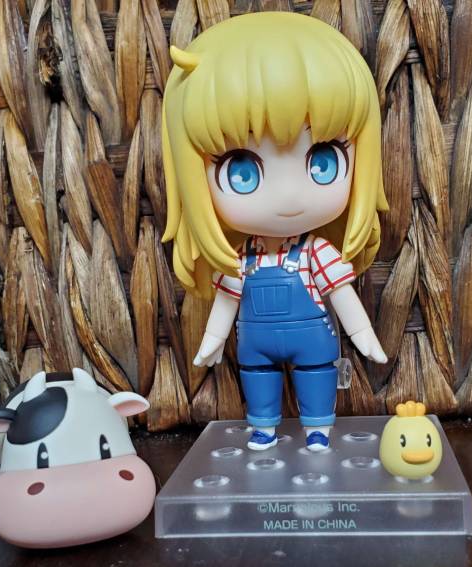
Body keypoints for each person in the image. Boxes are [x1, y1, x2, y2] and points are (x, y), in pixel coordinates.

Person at [162, 12, 388, 452]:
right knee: (257, 379)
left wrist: (364, 336)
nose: (288, 195)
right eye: (242, 170)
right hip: (256, 344)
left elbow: (343, 297)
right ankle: (263, 426)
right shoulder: (240, 258)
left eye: (323, 160)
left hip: (312, 341)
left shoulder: (317, 252)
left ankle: (318, 427)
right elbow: (226, 302)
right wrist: (212, 341)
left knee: (316, 376)